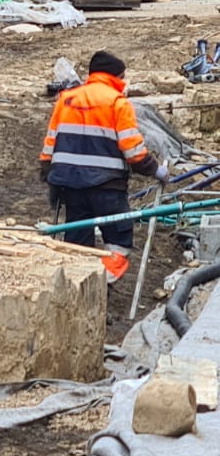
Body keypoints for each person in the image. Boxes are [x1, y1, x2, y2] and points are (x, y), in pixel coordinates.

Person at [40, 51, 169, 284]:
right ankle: (104, 284)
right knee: (119, 239)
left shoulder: (66, 99)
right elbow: (133, 151)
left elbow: (50, 142)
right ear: (116, 76)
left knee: (77, 237)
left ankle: (78, 286)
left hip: (69, 184)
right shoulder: (117, 103)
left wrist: (49, 173)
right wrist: (156, 170)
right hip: (107, 186)